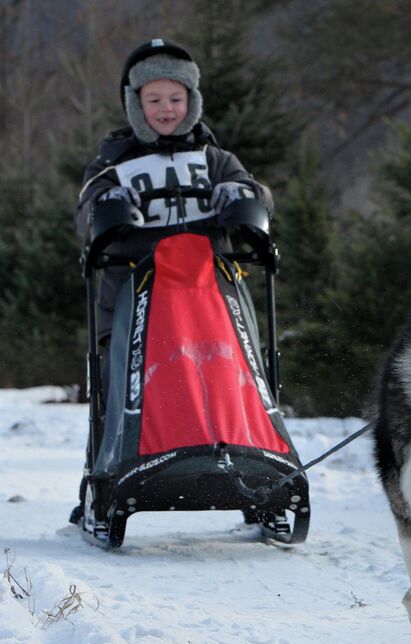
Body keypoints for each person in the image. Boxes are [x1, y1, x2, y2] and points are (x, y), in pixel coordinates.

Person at [70, 38, 273, 524]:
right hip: (133, 297)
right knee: (120, 383)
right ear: (135, 103)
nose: (166, 109)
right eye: (154, 100)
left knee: (226, 372)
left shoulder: (216, 158)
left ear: (192, 101)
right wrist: (109, 210)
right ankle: (104, 479)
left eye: (176, 99)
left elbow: (258, 196)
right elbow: (86, 210)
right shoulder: (114, 161)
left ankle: (249, 463)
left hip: (208, 296)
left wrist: (243, 196)